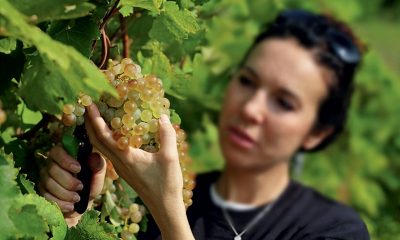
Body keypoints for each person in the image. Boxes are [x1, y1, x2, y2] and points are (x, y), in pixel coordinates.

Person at [39, 9, 370, 240]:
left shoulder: (334, 230)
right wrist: (70, 220)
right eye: (247, 81)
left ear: (317, 133)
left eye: (284, 102)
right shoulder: (152, 200)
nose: (251, 108)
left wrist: (168, 214)